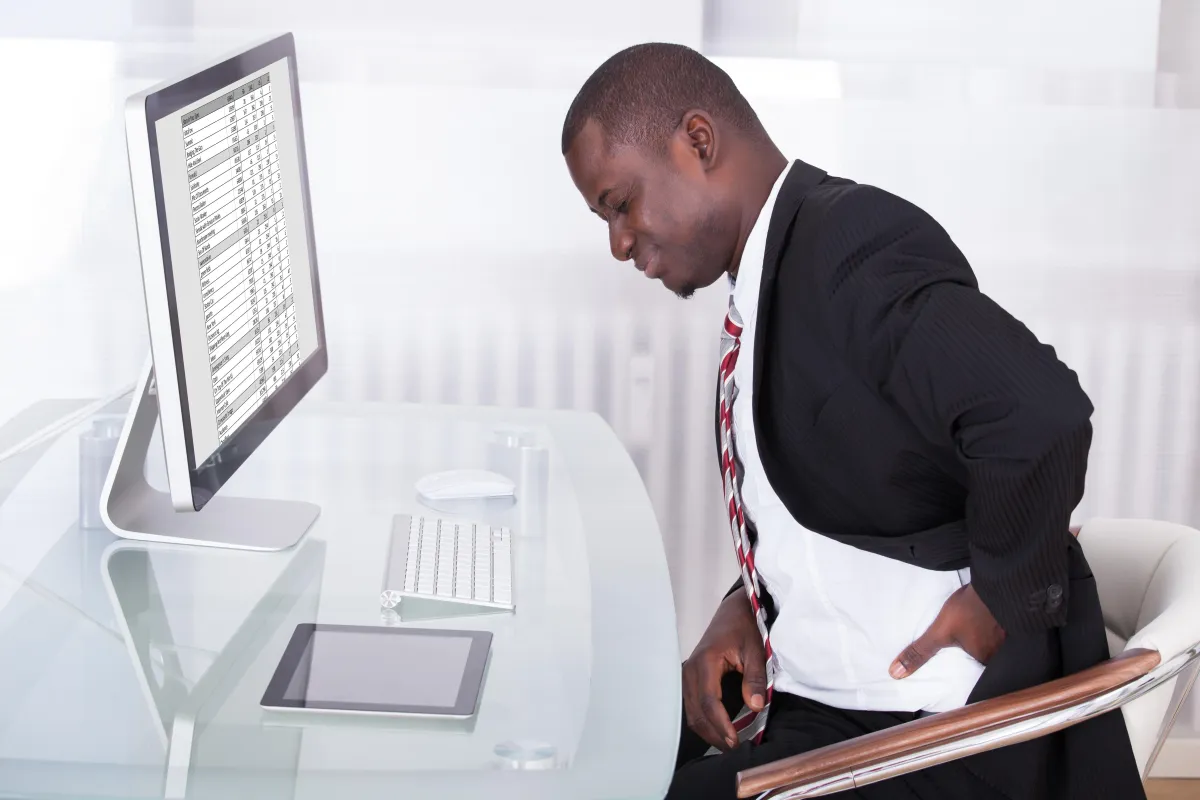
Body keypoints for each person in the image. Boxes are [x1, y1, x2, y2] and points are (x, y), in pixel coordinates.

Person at [561, 43, 1144, 800]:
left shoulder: (849, 249)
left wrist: (1006, 594)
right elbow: (854, 479)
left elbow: (1038, 412)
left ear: (698, 142)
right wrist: (750, 605)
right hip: (825, 696)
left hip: (927, 731)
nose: (617, 244)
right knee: (600, 756)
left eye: (620, 204)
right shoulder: (778, 270)